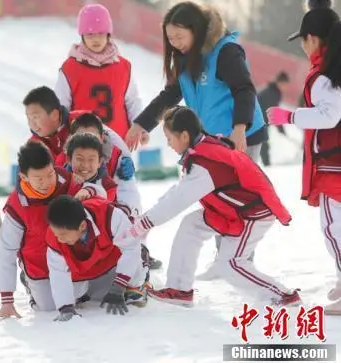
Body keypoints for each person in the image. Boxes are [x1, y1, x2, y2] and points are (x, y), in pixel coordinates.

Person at [124, 2, 267, 277]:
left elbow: (244, 89)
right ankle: (225, 260)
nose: (175, 44)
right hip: (213, 140)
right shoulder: (185, 57)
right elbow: (170, 95)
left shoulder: (225, 51)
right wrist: (143, 124)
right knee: (219, 199)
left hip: (241, 135)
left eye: (179, 37)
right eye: (170, 39)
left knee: (239, 200)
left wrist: (239, 128)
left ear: (197, 30)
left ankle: (239, 261)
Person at [120, 106, 300, 307]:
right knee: (192, 225)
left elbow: (177, 201)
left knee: (230, 264)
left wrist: (143, 224)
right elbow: (178, 191)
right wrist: (146, 220)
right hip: (230, 210)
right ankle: (179, 289)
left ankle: (283, 296)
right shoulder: (201, 149)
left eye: (170, 139)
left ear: (185, 136)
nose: (169, 145)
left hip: (252, 213)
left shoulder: (205, 163)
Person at [266, 0, 341, 315]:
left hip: (333, 165)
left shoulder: (325, 76)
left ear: (313, 39)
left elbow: (330, 115)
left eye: (303, 40)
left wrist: (289, 116)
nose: (302, 47)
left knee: (333, 228)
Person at [0, 142, 106, 321]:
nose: (46, 182)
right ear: (24, 176)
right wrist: (6, 300)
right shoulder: (17, 205)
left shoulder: (66, 180)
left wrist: (87, 190)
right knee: (48, 307)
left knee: (80, 294)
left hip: (69, 259)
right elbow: (6, 250)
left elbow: (100, 195)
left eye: (50, 174)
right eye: (39, 178)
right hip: (39, 265)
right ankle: (29, 281)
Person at [62, 114, 162, 270]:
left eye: (92, 136)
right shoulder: (66, 163)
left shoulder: (117, 158)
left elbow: (126, 195)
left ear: (102, 138)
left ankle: (139, 256)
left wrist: (123, 217)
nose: (87, 142)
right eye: (81, 136)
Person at [46, 195, 148, 322]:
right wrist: (65, 308)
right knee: (77, 295)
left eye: (63, 235)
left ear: (82, 225)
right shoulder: (55, 237)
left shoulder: (110, 216)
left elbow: (131, 249)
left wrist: (119, 287)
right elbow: (58, 273)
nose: (59, 239)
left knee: (134, 269)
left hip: (112, 259)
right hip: (84, 269)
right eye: (56, 234)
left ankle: (140, 273)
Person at [54, 3, 145, 140]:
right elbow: (61, 106)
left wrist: (140, 130)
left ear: (108, 34)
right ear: (82, 35)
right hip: (82, 145)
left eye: (100, 33)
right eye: (90, 34)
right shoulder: (70, 68)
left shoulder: (124, 67)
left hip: (118, 145)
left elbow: (133, 102)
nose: (96, 39)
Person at [23, 86, 134, 174]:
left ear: (55, 114)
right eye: (28, 118)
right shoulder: (34, 145)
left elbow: (107, 137)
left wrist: (124, 158)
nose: (31, 124)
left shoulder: (80, 120)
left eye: (35, 117)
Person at [257, 71, 291, 166]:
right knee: (263, 144)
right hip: (257, 121)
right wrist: (281, 129)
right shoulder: (272, 93)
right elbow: (274, 114)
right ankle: (267, 166)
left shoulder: (272, 91)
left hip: (261, 121)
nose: (286, 88)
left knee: (261, 144)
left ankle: (266, 165)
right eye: (285, 85)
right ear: (280, 82)